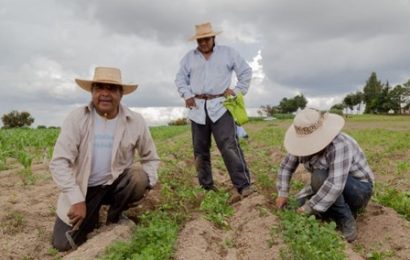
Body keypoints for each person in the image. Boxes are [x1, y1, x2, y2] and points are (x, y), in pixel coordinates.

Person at [50, 67, 160, 251]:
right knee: (63, 244)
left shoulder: (135, 120)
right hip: (84, 190)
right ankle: (93, 214)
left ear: (121, 94)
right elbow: (59, 162)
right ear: (92, 92)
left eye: (111, 88)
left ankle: (115, 215)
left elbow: (151, 158)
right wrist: (76, 199)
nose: (105, 94)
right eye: (99, 88)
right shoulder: (77, 118)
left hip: (115, 185)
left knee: (138, 177)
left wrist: (148, 182)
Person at [175, 22, 253, 196]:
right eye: (200, 40)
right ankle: (207, 187)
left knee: (229, 146)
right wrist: (186, 94)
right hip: (197, 108)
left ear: (213, 38)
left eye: (206, 39)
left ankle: (243, 185)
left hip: (221, 106)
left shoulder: (228, 53)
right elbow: (180, 78)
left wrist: (237, 91)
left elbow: (246, 72)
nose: (203, 43)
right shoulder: (189, 58)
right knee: (200, 150)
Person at [275, 108, 374, 242]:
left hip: (358, 190)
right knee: (294, 205)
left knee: (319, 176)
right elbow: (286, 167)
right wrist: (282, 193)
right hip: (330, 186)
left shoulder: (340, 144)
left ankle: (344, 217)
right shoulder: (301, 146)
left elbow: (335, 184)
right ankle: (326, 210)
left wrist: (308, 207)